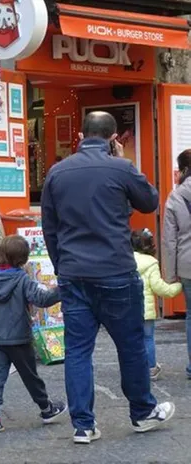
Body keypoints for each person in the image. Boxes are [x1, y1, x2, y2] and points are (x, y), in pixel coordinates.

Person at [41, 111, 174, 444]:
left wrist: (62, 265)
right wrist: (123, 161)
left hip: (74, 273)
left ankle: (83, 425)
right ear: (113, 138)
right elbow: (150, 200)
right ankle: (142, 412)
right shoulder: (121, 168)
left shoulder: (57, 172)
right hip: (115, 269)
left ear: (82, 136)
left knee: (78, 351)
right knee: (130, 346)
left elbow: (50, 227)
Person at [0, 235, 67, 435]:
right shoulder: (22, 279)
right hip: (19, 338)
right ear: (22, 259)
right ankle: (46, 408)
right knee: (30, 376)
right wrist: (62, 289)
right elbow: (41, 299)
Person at [132, 229, 182, 381]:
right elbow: (159, 288)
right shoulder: (151, 263)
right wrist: (178, 287)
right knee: (148, 338)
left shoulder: (125, 260)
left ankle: (134, 368)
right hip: (146, 311)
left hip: (128, 309)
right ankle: (151, 368)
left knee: (132, 339)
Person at [162, 149, 191, 378]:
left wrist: (170, 275)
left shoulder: (175, 197)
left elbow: (169, 240)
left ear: (182, 170)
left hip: (187, 264)